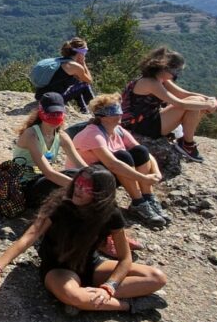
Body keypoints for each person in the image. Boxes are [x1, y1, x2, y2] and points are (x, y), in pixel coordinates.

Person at [0, 167, 168, 315]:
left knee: (157, 277)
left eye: (87, 187)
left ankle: (88, 300)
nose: (79, 189)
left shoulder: (110, 213)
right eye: (78, 183)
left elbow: (125, 259)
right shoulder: (60, 204)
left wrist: (110, 286)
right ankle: (129, 305)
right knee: (72, 295)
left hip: (92, 264)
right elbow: (29, 236)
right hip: (58, 269)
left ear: (100, 194)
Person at [72, 93, 169, 227]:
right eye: (113, 111)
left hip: (104, 174)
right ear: (102, 117)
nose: (120, 114)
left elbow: (144, 152)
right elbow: (113, 164)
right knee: (122, 156)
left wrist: (157, 172)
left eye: (119, 109)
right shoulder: (93, 134)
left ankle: (148, 197)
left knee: (140, 151)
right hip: (85, 178)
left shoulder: (118, 130)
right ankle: (138, 202)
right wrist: (143, 178)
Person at [121, 47, 217, 162]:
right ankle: (187, 144)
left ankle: (186, 142)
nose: (176, 75)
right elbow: (180, 103)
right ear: (164, 68)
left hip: (149, 118)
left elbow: (183, 94)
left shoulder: (160, 79)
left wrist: (209, 99)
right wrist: (208, 106)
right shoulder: (150, 83)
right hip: (142, 126)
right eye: (175, 71)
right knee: (194, 104)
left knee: (197, 100)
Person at [11, 92, 88, 209]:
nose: (54, 117)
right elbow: (48, 173)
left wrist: (95, 177)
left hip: (41, 179)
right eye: (51, 113)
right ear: (41, 112)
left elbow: (80, 164)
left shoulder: (61, 136)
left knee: (77, 174)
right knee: (63, 182)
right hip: (24, 186)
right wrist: (78, 187)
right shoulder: (31, 135)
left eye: (58, 113)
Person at [34, 37, 95, 113]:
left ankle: (84, 110)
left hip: (40, 96)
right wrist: (83, 63)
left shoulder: (61, 61)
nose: (85, 54)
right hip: (53, 99)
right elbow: (89, 80)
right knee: (85, 85)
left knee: (77, 83)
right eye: (85, 51)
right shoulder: (74, 66)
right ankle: (96, 110)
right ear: (80, 53)